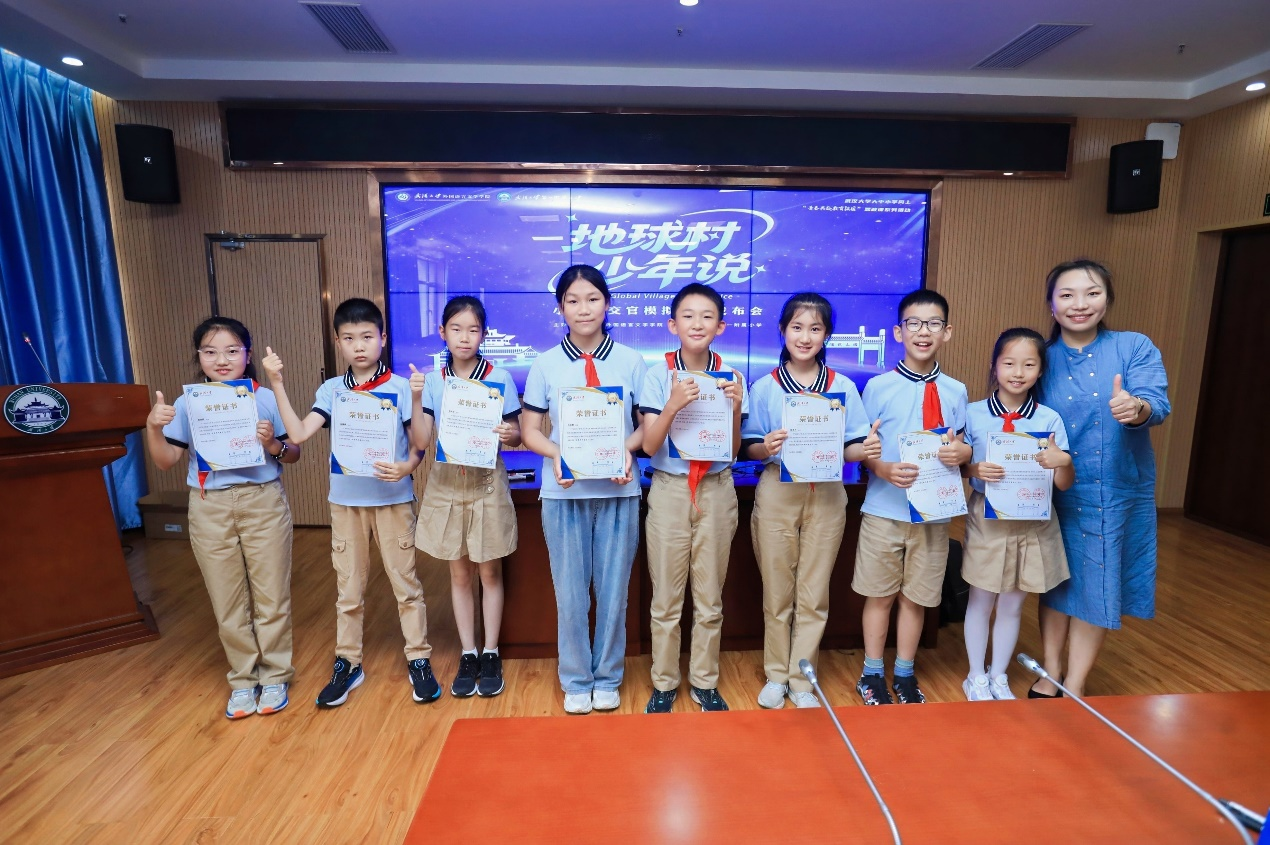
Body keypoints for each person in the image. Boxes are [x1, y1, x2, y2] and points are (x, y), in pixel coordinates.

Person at [262, 298, 433, 708]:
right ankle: (349, 663)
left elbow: (420, 443)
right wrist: (277, 382)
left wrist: (415, 404)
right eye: (349, 338)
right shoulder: (331, 391)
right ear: (338, 342)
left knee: (406, 586)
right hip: (346, 503)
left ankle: (419, 658)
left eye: (367, 337)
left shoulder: (399, 386)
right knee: (349, 591)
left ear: (383, 339)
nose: (359, 346)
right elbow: (298, 434)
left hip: (393, 501)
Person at [145, 316, 301, 719]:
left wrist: (272, 444)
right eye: (210, 352)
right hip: (209, 505)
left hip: (262, 500)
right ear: (198, 356)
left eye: (232, 350)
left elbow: (294, 453)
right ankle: (243, 680)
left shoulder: (264, 397)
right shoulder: (188, 403)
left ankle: (275, 675)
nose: (222, 360)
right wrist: (152, 427)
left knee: (272, 596)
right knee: (226, 599)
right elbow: (165, 461)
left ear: (248, 354)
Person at [1031, 259, 1170, 698]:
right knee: (1056, 581)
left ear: (1107, 299)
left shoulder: (1134, 347)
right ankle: (1051, 670)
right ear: (1051, 305)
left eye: (1092, 293)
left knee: (1098, 580)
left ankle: (1075, 681)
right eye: (1067, 295)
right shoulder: (1041, 357)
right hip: (1054, 490)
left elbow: (1155, 403)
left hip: (1115, 490)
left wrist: (1136, 408)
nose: (1080, 304)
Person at [520, 265, 649, 715]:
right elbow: (529, 430)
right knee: (571, 595)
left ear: (607, 303)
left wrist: (626, 450)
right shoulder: (545, 363)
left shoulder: (631, 361)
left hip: (618, 490)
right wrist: (557, 453)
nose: (583, 308)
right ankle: (576, 679)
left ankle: (608, 677)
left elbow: (646, 426)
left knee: (614, 593)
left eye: (592, 299)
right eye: (572, 300)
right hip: (564, 492)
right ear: (560, 308)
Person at [741, 293, 879, 709]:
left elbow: (851, 448)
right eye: (797, 327)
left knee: (814, 592)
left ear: (826, 335)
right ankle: (775, 675)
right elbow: (748, 447)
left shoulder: (842, 387)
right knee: (777, 591)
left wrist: (866, 449)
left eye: (815, 329)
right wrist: (765, 446)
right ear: (782, 331)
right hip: (777, 493)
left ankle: (802, 680)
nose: (805, 337)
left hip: (827, 495)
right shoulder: (765, 387)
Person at [854, 289, 971, 705]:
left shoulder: (956, 391)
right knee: (879, 595)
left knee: (916, 597)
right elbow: (863, 449)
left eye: (933, 324)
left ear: (947, 332)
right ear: (898, 332)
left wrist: (963, 453)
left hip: (934, 515)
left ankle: (904, 672)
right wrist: (882, 468)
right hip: (884, 510)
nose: (924, 332)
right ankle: (871, 673)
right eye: (914, 324)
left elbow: (964, 446)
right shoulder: (877, 387)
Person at [639, 283, 747, 714]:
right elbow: (649, 445)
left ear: (720, 326)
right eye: (688, 316)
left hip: (717, 490)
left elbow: (733, 451)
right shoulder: (657, 374)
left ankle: (704, 682)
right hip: (669, 490)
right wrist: (671, 405)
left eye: (707, 316)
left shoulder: (732, 377)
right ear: (673, 325)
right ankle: (664, 682)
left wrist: (735, 410)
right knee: (666, 598)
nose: (697, 324)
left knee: (710, 599)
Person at [409, 295, 522, 698]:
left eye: (473, 330)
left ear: (483, 335)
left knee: (490, 572)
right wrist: (416, 397)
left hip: (486, 482)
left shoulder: (499, 377)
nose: (464, 337)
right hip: (447, 483)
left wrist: (510, 433)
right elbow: (421, 441)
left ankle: (491, 652)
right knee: (458, 574)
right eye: (456, 329)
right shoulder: (433, 380)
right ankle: (468, 652)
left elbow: (517, 434)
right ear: (442, 332)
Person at [960, 328, 1073, 701]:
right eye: (1009, 363)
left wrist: (1062, 462)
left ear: (1040, 371)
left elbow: (1064, 483)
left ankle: (998, 675)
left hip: (1033, 522)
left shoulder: (1049, 419)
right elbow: (956, 467)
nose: (1018, 372)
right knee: (981, 599)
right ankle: (976, 676)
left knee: (1012, 603)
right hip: (987, 520)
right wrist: (974, 469)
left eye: (1029, 364)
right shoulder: (973, 414)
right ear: (995, 366)